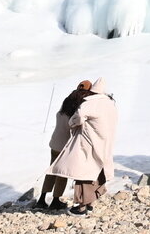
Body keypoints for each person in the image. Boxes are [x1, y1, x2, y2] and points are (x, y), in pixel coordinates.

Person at [48, 78, 118, 214]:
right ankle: (90, 204)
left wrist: (73, 123)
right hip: (105, 142)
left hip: (88, 142)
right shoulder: (110, 104)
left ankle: (81, 207)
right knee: (97, 172)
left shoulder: (90, 103)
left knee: (83, 173)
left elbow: (78, 117)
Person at [37, 81, 93, 210]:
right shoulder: (80, 104)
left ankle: (42, 199)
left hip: (54, 142)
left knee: (51, 171)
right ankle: (55, 201)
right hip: (65, 145)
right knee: (61, 174)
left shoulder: (67, 100)